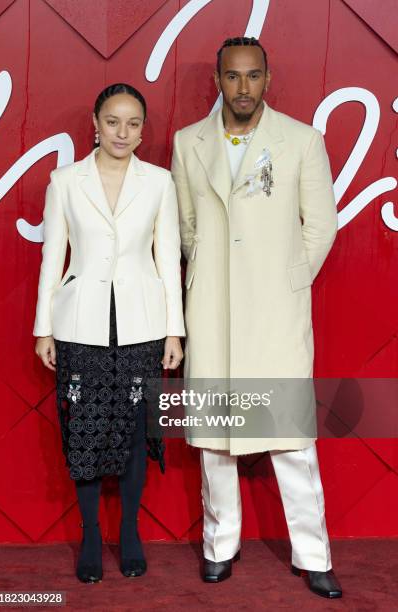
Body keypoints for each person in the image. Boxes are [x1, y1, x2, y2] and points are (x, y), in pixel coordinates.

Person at [171, 37, 342, 598]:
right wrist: (208, 275)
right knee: (217, 438)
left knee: (291, 438)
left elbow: (321, 227)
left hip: (276, 310)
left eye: (252, 76)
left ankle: (313, 554)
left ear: (268, 78)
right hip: (212, 309)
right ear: (217, 80)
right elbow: (187, 225)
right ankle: (220, 545)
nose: (242, 87)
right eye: (231, 76)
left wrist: (287, 282)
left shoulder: (301, 140)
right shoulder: (186, 142)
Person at [34, 83, 185, 583]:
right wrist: (44, 329)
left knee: (140, 432)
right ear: (95, 124)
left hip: (142, 325)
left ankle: (129, 533)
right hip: (81, 323)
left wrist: (173, 331)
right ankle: (92, 538)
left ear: (144, 130)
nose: (123, 132)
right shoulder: (65, 181)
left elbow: (168, 259)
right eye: (113, 121)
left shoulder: (160, 182)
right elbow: (52, 257)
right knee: (86, 431)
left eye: (134, 123)